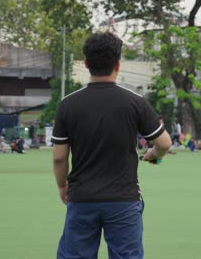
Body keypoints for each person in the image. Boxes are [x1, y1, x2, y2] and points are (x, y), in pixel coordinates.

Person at [51, 32, 172, 259]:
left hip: (82, 197)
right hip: (123, 199)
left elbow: (59, 157)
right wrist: (153, 154)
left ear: (86, 64)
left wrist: (61, 186)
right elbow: (164, 143)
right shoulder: (135, 102)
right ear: (118, 64)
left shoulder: (67, 105)